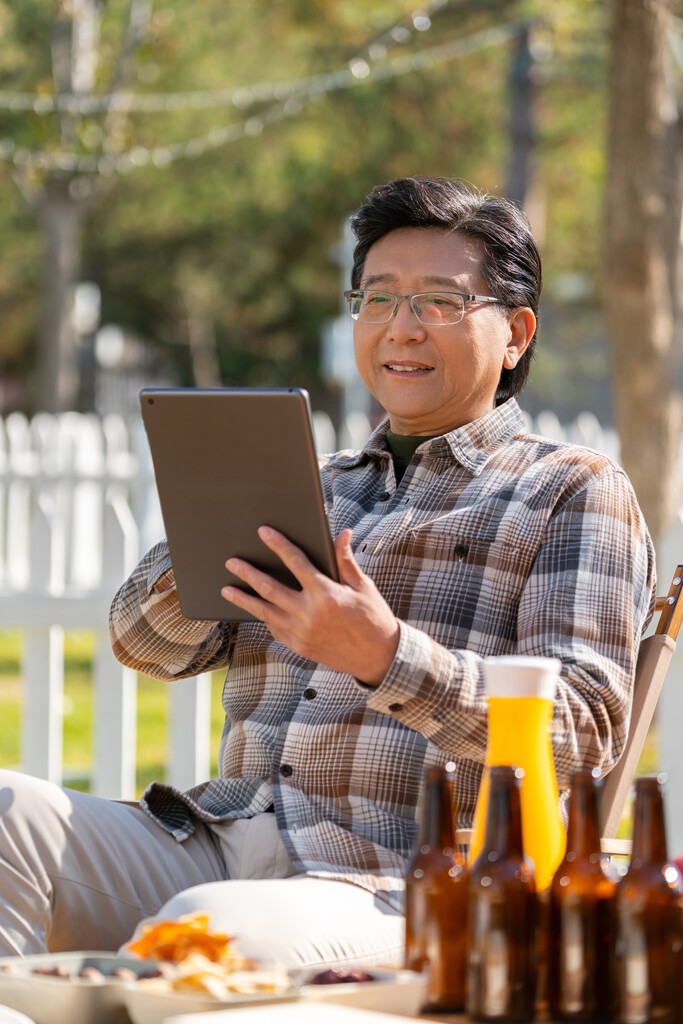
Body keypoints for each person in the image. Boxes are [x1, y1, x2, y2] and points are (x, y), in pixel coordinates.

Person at [0, 176, 655, 967]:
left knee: (208, 931)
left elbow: (579, 735)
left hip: (402, 879)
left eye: (438, 302)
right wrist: (209, 532)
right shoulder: (306, 482)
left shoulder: (571, 491)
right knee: (8, 812)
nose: (400, 329)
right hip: (215, 837)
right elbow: (145, 648)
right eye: (376, 300)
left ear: (515, 333)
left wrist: (385, 656)